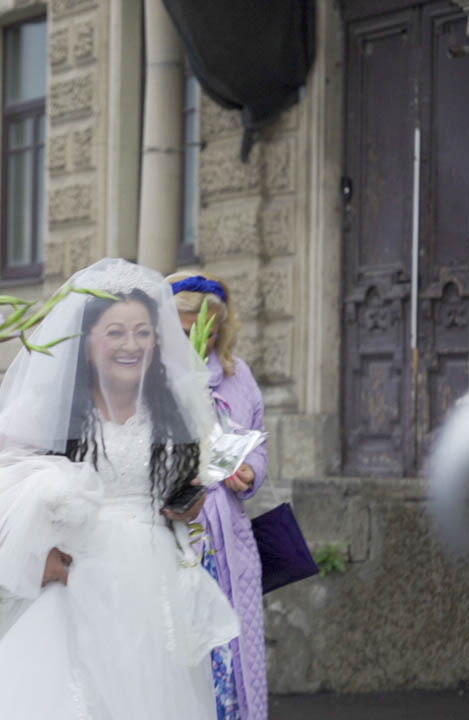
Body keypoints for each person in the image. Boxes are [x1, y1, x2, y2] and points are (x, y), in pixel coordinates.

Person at [0, 258, 240, 719]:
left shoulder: (175, 412)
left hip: (153, 593)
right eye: (116, 332)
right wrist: (31, 554)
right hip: (73, 592)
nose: (131, 345)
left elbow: (185, 488)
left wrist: (188, 504)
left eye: (143, 332)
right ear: (88, 344)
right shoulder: (50, 410)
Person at [168, 270, 269, 720]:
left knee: (230, 656)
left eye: (207, 328)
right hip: (176, 536)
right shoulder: (153, 379)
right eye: (187, 329)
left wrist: (250, 470)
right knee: (181, 661)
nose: (198, 339)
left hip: (228, 536)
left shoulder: (237, 375)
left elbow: (258, 439)